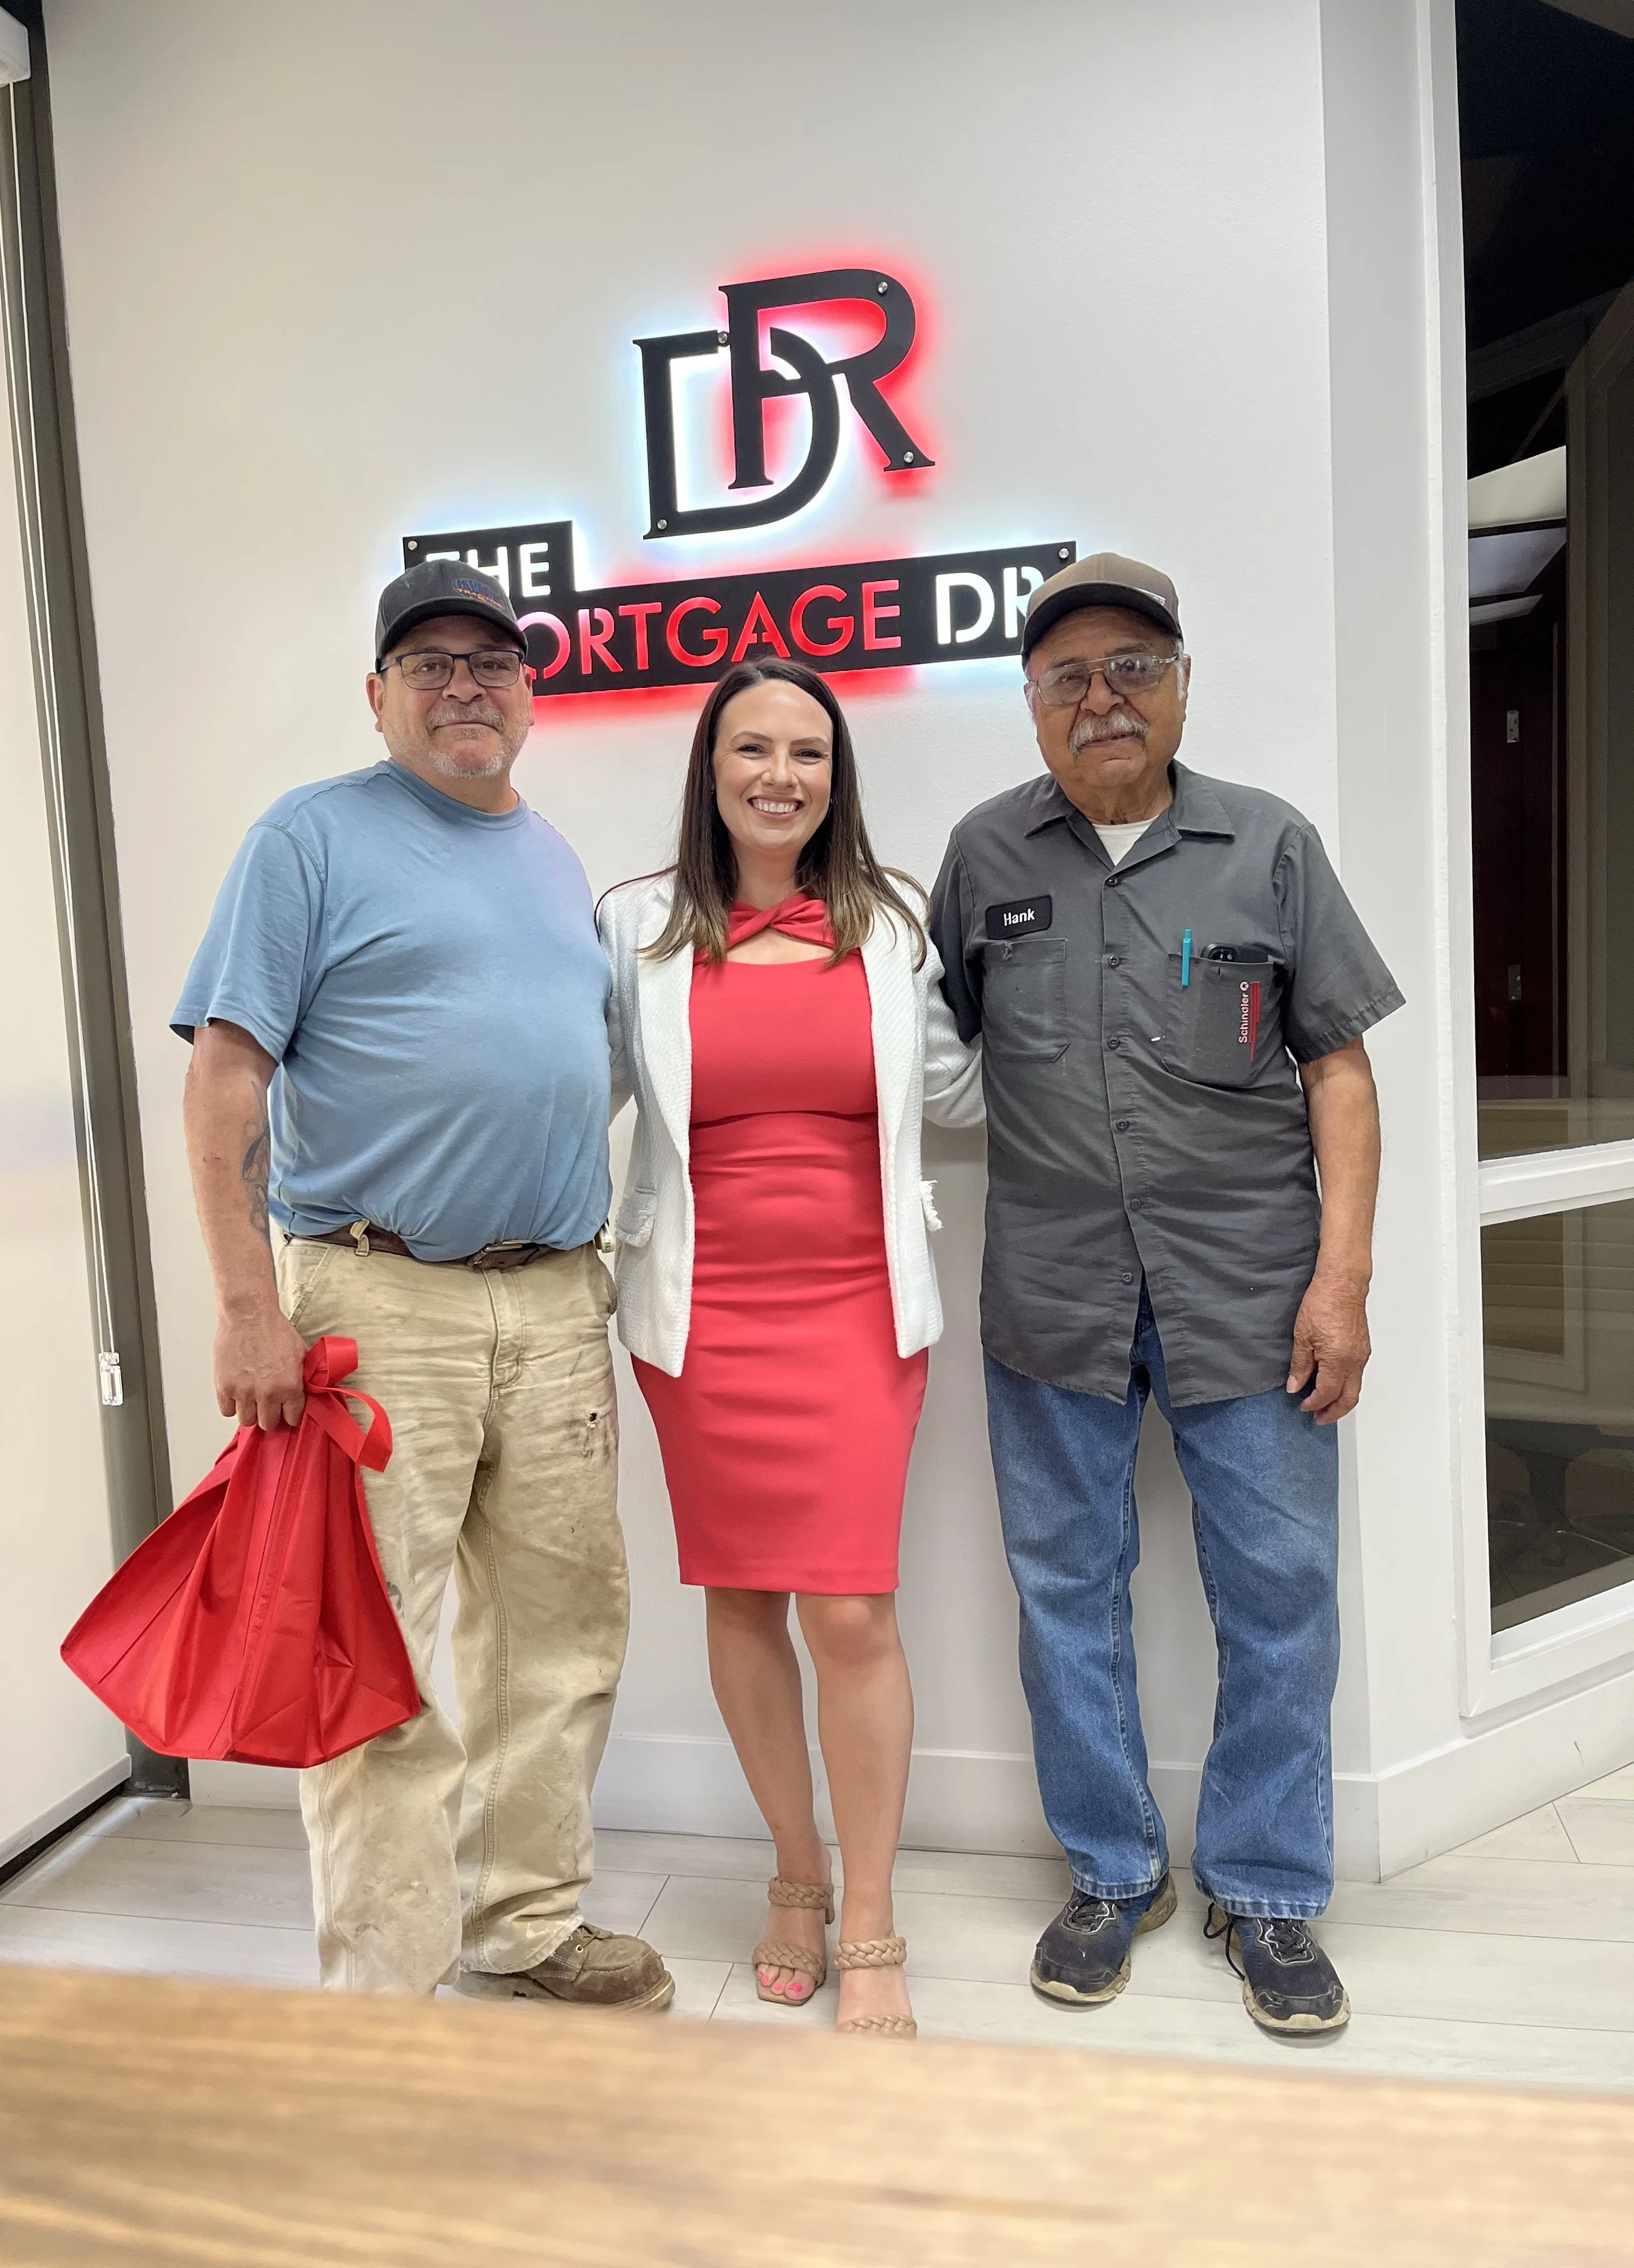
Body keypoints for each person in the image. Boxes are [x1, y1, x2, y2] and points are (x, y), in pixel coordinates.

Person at [174, 557, 671, 2007]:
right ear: (378, 692)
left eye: (491, 661)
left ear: (528, 690)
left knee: (560, 1632)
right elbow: (221, 1084)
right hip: (378, 1304)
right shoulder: (309, 839)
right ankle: (383, 1986)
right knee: (373, 1651)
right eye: (430, 662)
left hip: (555, 1300)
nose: (465, 684)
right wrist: (246, 1305)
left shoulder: (549, 854)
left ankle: (524, 1924)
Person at [930, 553, 1403, 2037]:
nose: (1100, 697)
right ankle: (1110, 1868)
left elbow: (1337, 1067)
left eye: (1130, 665)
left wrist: (1341, 1278)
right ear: (1029, 708)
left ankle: (1264, 1888)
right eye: (1065, 677)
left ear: (1181, 682)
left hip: (1252, 1295)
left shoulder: (1265, 845)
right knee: (1065, 1590)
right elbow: (915, 1054)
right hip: (1052, 1293)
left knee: (1278, 1597)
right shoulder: (982, 857)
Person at [600, 659, 982, 2038]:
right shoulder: (634, 926)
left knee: (850, 1610)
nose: (779, 773)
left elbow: (959, 1085)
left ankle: (871, 1910)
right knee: (742, 1599)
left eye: (806, 753)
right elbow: (569, 1095)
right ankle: (795, 1873)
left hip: (855, 1310)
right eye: (750, 748)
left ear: (836, 778)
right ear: (709, 769)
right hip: (698, 1319)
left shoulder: (889, 925)